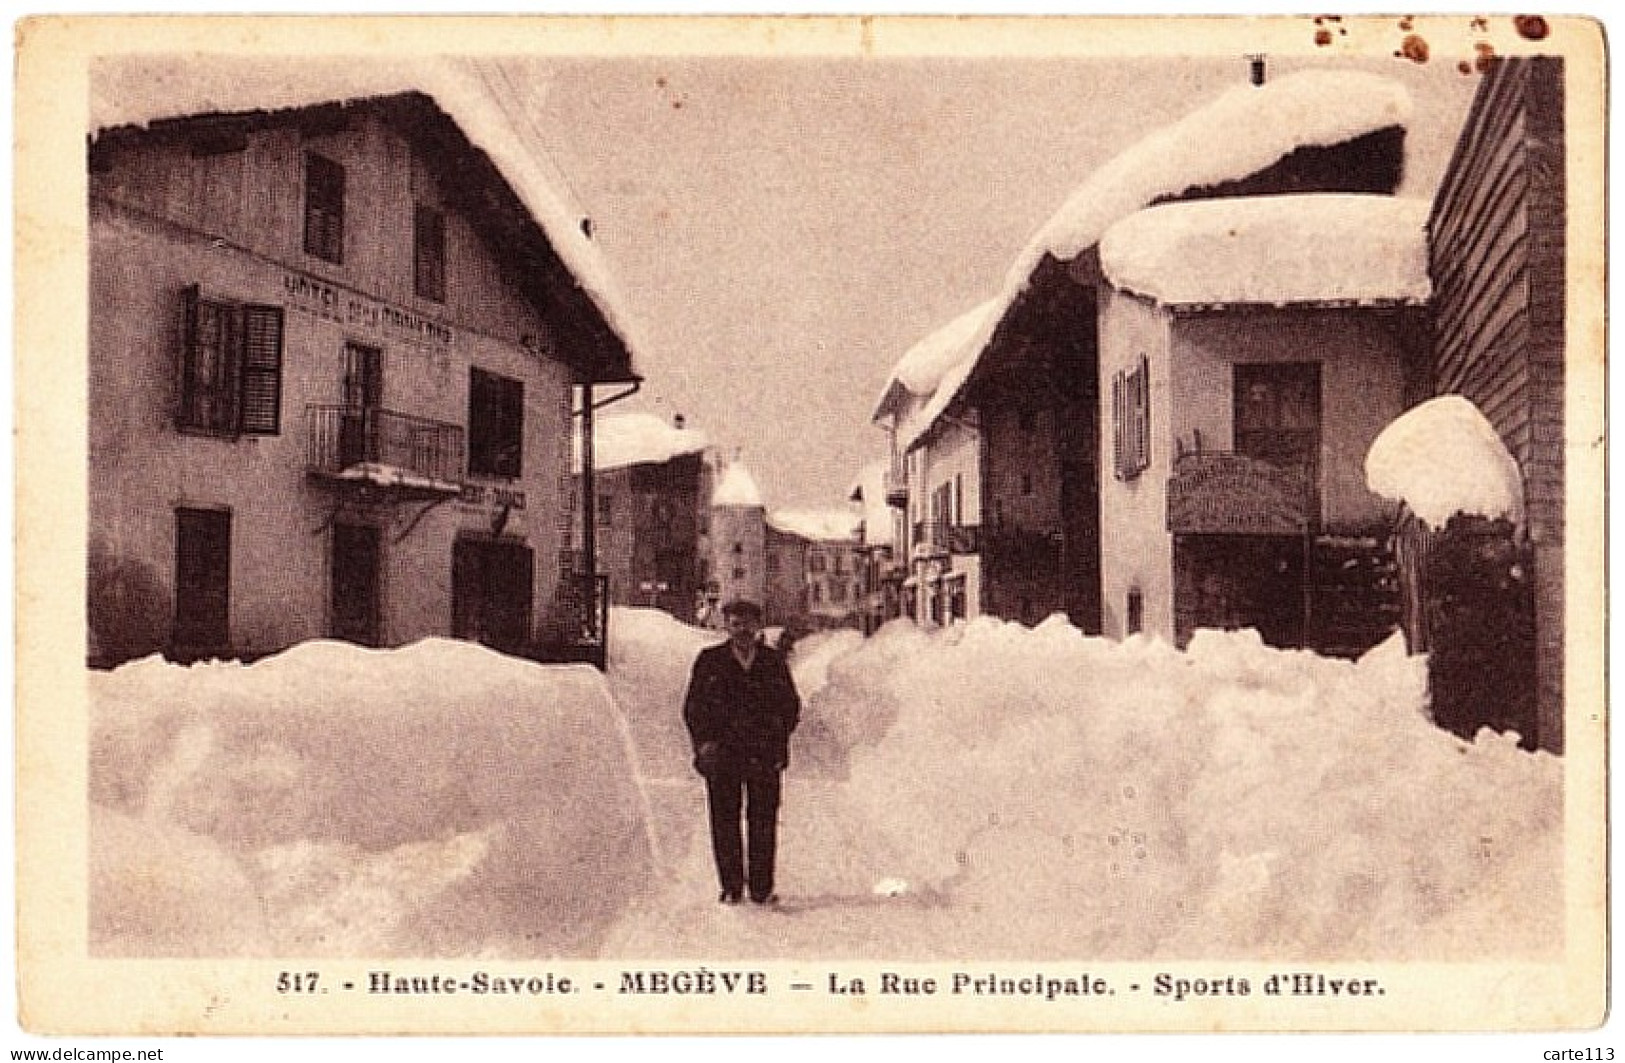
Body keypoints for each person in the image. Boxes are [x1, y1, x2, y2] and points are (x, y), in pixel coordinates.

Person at [682, 598, 801, 905]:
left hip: (763, 754)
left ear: (757, 626)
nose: (742, 631)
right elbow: (694, 707)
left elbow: (790, 705)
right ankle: (731, 886)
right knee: (724, 820)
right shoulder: (710, 660)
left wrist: (778, 737)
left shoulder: (772, 662)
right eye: (736, 624)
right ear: (727, 626)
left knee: (763, 820)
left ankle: (761, 888)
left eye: (748, 624)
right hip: (723, 754)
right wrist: (705, 743)